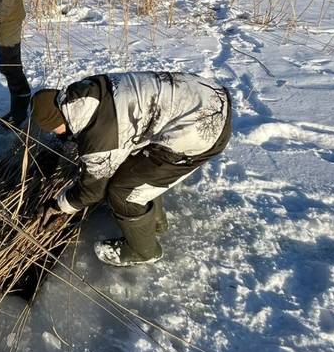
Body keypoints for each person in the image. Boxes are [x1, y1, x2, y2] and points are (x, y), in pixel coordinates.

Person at [32, 71, 232, 266]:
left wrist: (58, 205)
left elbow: (92, 191)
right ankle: (154, 222)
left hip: (205, 128)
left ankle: (143, 251)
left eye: (52, 129)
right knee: (136, 169)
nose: (54, 134)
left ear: (57, 121)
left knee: (123, 192)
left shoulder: (99, 138)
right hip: (205, 94)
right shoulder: (89, 88)